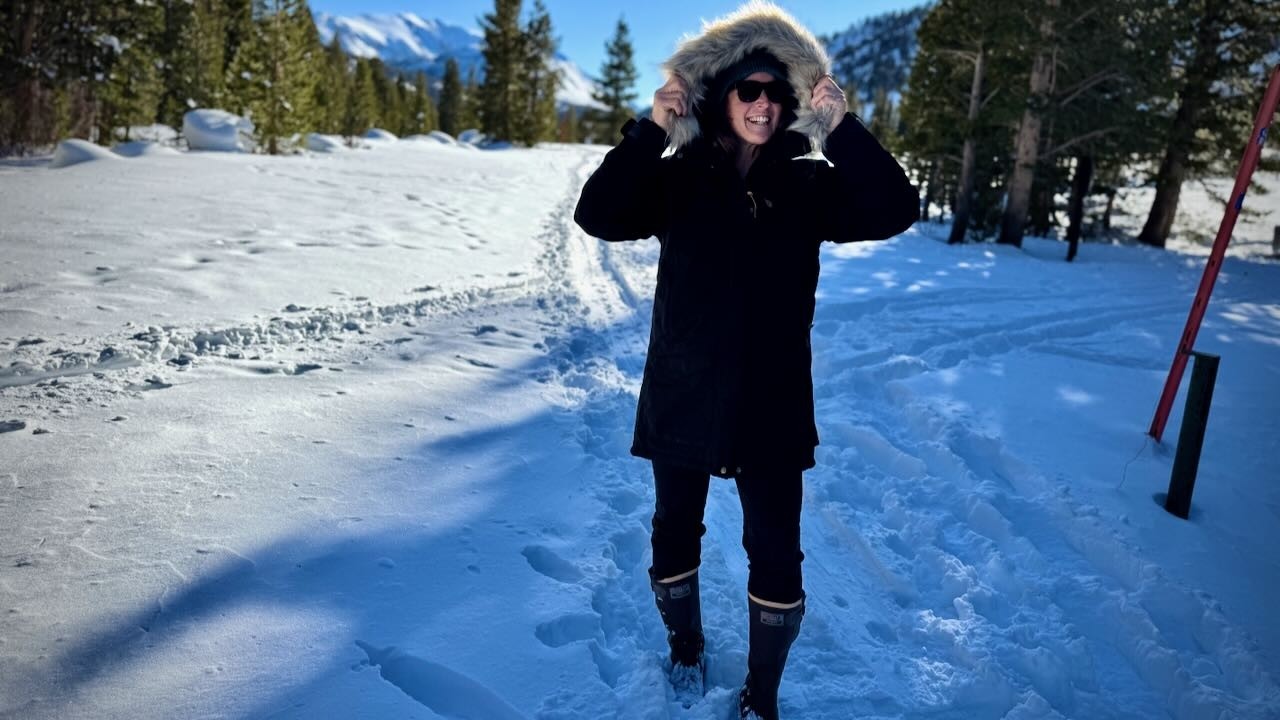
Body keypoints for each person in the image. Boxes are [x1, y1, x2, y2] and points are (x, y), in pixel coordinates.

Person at [573, 3, 919, 718]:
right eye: (748, 89)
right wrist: (651, 129)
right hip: (684, 388)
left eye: (776, 92)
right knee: (675, 530)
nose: (764, 103)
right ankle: (686, 648)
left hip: (772, 399)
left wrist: (842, 128)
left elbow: (895, 208)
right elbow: (598, 214)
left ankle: (762, 693)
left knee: (777, 550)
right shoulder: (677, 179)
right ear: (720, 96)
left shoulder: (809, 183)